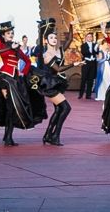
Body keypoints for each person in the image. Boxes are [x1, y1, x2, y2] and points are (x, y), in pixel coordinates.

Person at [0, 8, 41, 146]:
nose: (11, 35)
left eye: (12, 33)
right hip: (4, 78)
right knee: (9, 106)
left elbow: (27, 60)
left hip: (15, 79)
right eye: (9, 33)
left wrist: (22, 72)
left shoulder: (17, 48)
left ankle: (8, 136)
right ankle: (7, 137)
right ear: (3, 35)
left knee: (13, 108)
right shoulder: (0, 44)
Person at [32, 18, 79, 146]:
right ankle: (55, 136)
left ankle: (48, 136)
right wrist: (74, 63)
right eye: (51, 37)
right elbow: (58, 69)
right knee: (66, 108)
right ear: (46, 40)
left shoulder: (58, 52)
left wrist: (71, 25)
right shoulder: (46, 54)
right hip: (49, 84)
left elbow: (69, 40)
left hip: (55, 82)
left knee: (59, 110)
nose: (54, 39)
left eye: (55, 37)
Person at [78, 32, 98, 100]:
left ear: (92, 38)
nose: (89, 38)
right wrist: (93, 51)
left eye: (90, 37)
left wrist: (96, 49)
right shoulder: (83, 45)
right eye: (88, 37)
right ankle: (81, 94)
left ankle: (88, 95)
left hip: (93, 63)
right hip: (86, 63)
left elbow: (97, 52)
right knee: (83, 79)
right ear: (86, 38)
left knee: (91, 79)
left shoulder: (95, 45)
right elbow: (84, 53)